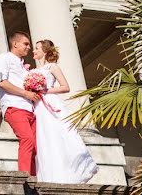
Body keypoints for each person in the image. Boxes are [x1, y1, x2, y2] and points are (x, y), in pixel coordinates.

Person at [31, 39, 99, 184]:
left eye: (36, 48)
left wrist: (45, 90)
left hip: (50, 103)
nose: (33, 51)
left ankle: (74, 169)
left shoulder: (52, 67)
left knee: (59, 135)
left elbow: (65, 87)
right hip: (38, 106)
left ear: (45, 50)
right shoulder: (32, 71)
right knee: (44, 138)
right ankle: (50, 175)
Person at [0, 32, 40, 175]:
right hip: (14, 106)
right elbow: (1, 82)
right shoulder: (4, 58)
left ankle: (34, 177)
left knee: (36, 146)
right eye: (26, 44)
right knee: (27, 139)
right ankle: (25, 177)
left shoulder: (23, 66)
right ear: (15, 44)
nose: (29, 47)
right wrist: (26, 93)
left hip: (31, 109)